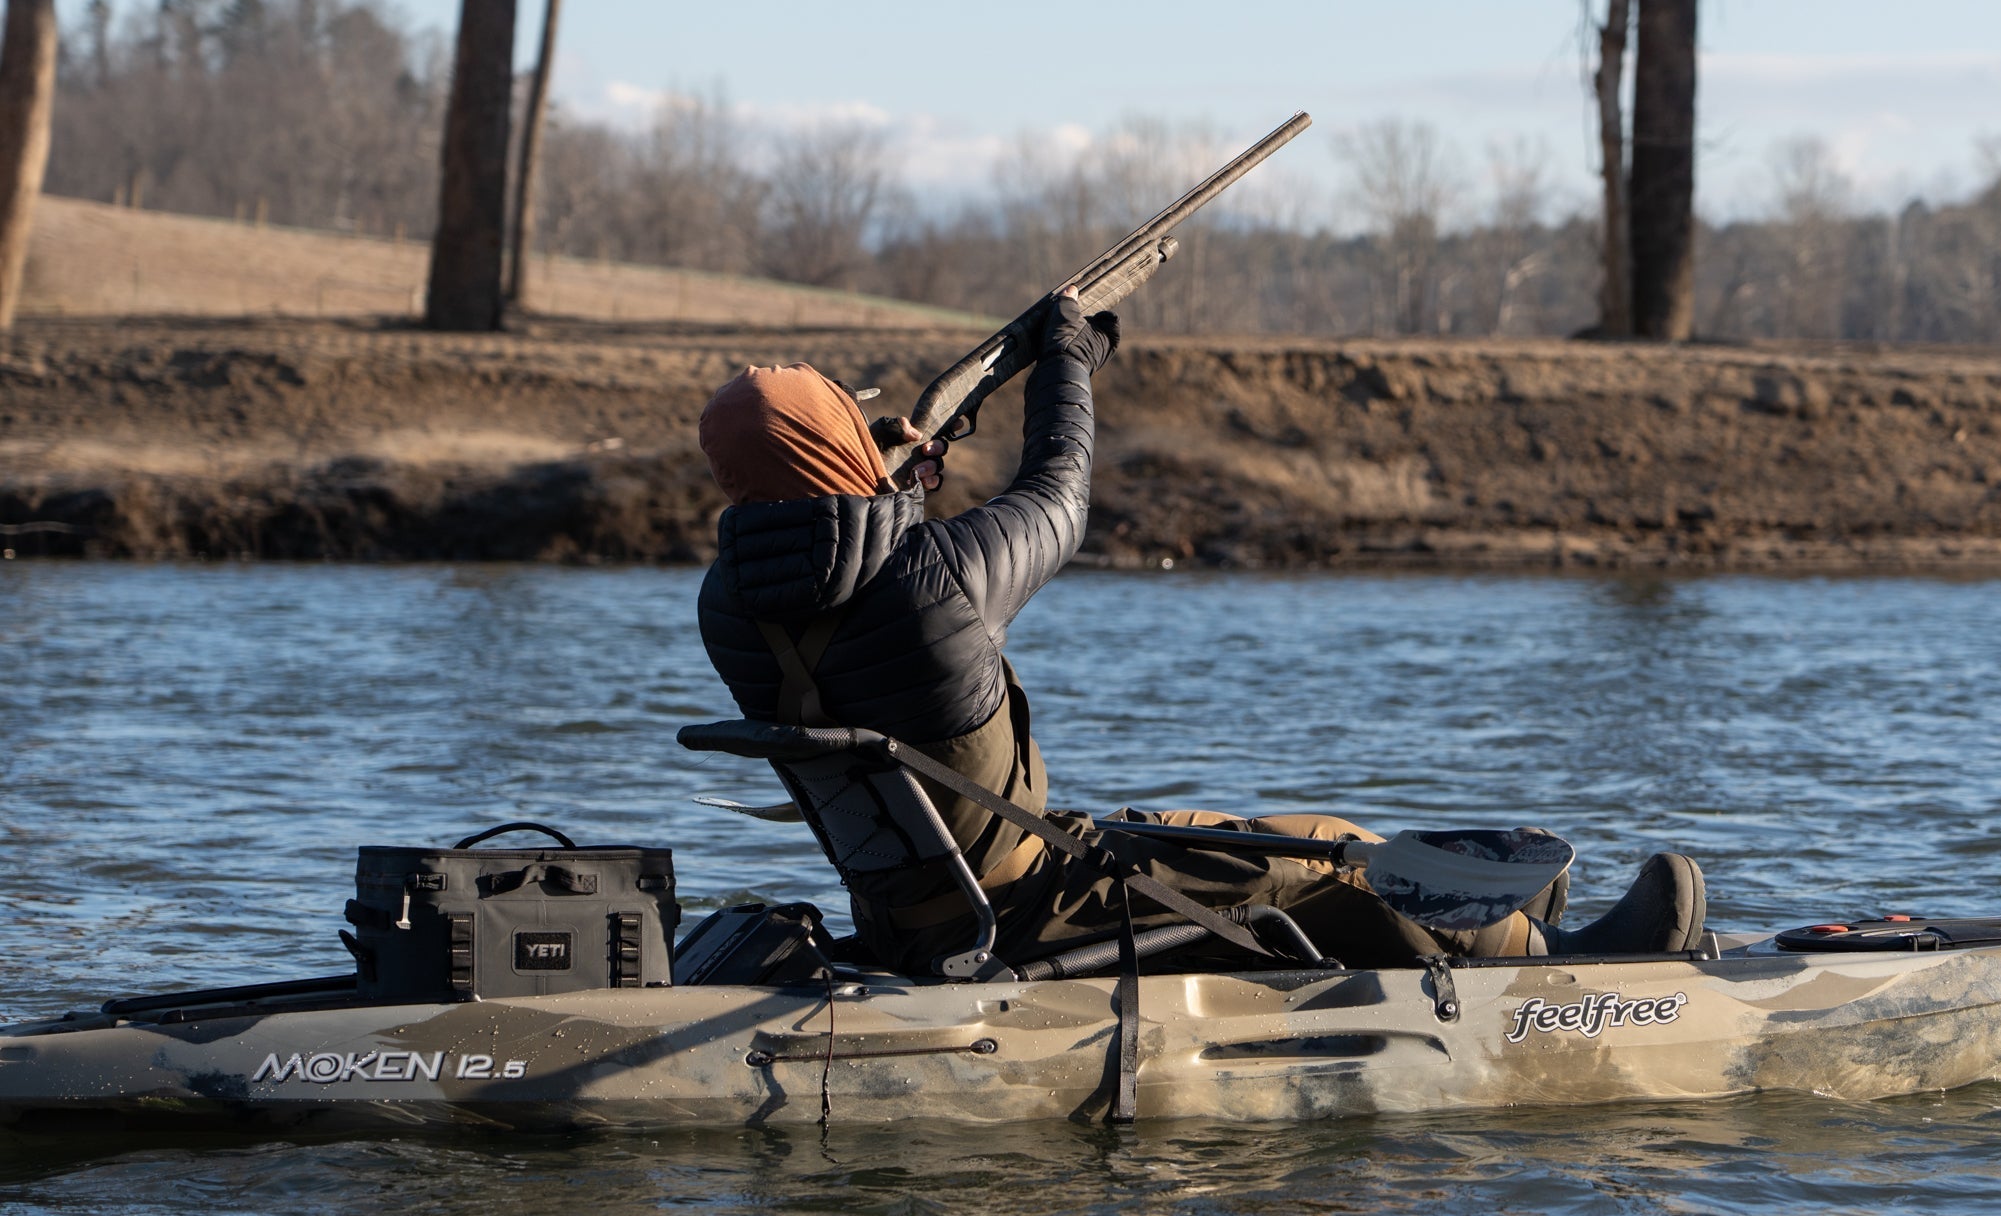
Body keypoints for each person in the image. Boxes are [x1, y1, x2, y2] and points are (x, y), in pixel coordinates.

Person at [694, 292, 1703, 976]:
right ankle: (1553, 966)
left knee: (1223, 824)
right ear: (838, 451)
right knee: (1338, 861)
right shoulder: (933, 579)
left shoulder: (729, 608)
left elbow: (823, 552)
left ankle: (1514, 910)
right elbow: (1059, 493)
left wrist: (882, 479)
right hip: (1035, 900)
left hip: (917, 907)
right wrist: (1069, 364)